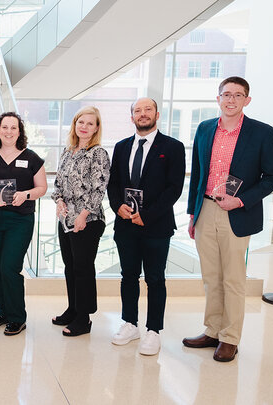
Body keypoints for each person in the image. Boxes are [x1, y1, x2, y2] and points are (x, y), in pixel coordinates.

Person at [184, 76, 273, 362]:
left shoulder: (262, 132)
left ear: (247, 100)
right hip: (205, 209)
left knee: (234, 279)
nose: (231, 99)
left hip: (237, 212)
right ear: (218, 98)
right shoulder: (204, 128)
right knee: (211, 278)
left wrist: (240, 200)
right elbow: (197, 173)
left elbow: (272, 176)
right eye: (226, 94)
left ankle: (230, 338)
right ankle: (212, 330)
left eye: (238, 95)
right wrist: (193, 213)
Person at [106, 98, 185, 355]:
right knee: (128, 276)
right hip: (126, 224)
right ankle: (130, 324)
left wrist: (147, 216)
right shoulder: (121, 147)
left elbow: (174, 188)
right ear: (132, 117)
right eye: (137, 111)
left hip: (156, 225)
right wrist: (117, 206)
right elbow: (113, 183)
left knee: (155, 278)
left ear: (157, 114)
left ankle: (153, 330)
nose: (143, 114)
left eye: (148, 109)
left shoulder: (172, 147)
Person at [0, 112, 47, 336]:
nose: (8, 131)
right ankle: (3, 311)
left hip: (20, 219)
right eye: (4, 127)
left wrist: (25, 194)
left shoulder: (32, 158)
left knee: (10, 266)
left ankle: (17, 317)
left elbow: (42, 188)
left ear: (19, 131)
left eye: (13, 128)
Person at [51, 106, 110, 337]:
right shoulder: (68, 152)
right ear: (74, 125)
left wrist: (83, 216)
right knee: (70, 266)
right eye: (80, 122)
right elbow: (58, 183)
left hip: (88, 220)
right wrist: (59, 201)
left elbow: (99, 189)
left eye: (90, 123)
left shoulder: (98, 153)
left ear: (96, 128)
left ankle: (83, 319)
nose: (84, 127)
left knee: (83, 268)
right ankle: (73, 309)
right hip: (66, 220)